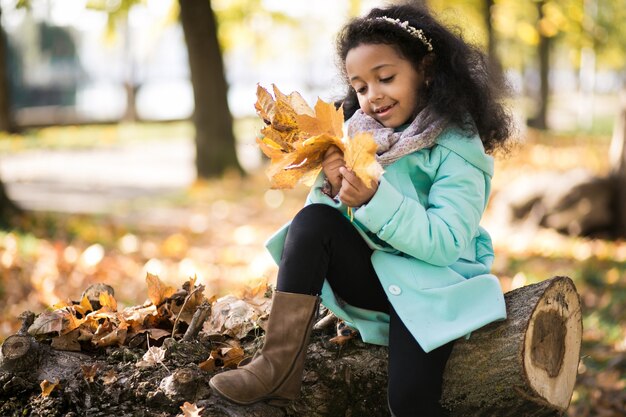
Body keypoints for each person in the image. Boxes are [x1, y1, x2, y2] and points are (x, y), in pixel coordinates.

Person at [209, 3, 515, 416]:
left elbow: (445, 244)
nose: (373, 96)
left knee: (408, 401)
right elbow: (319, 233)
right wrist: (335, 188)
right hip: (376, 277)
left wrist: (374, 199)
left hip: (434, 288)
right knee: (314, 219)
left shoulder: (458, 147)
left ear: (425, 69)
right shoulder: (357, 134)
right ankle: (276, 366)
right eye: (360, 87)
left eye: (385, 78)